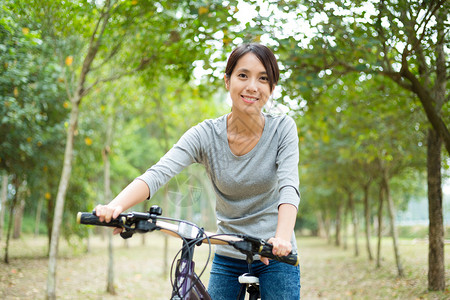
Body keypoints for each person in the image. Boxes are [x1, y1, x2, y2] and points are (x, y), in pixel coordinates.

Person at [94, 43, 301, 299]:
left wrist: (281, 239)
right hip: (229, 251)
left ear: (272, 88)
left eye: (263, 79)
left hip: (275, 253)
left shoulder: (283, 129)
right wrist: (115, 206)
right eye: (243, 75)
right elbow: (159, 172)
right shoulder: (205, 135)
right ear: (227, 81)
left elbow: (289, 187)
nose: (252, 86)